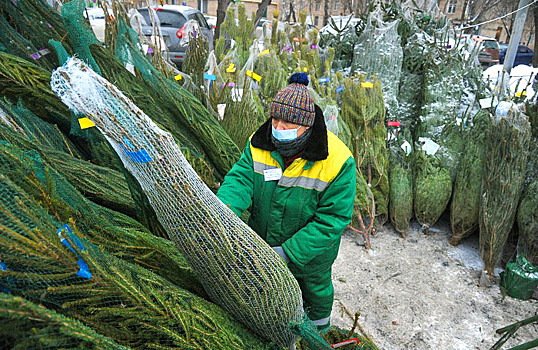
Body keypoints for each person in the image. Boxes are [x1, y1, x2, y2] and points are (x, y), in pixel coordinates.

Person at [217, 72, 356, 331]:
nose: (278, 128)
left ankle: (318, 331)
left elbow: (332, 220)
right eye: (276, 119)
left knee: (315, 291)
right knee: (267, 291)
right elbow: (240, 179)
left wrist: (289, 252)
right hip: (265, 239)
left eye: (288, 123)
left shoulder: (338, 161)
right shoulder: (259, 144)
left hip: (311, 254)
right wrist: (224, 209)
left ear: (307, 126)